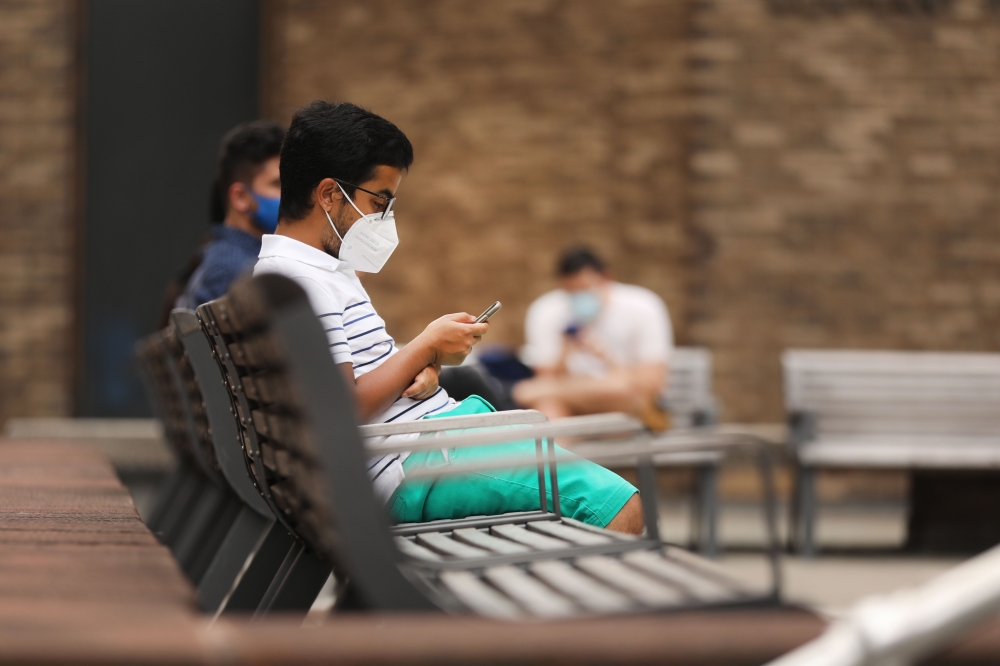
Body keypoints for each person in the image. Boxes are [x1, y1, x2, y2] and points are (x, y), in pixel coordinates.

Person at [253, 101, 643, 534]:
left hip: (422, 448)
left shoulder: (316, 271)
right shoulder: (299, 281)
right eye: (379, 200)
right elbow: (340, 407)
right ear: (328, 194)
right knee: (620, 509)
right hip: (413, 466)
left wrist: (423, 367)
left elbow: (351, 379)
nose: (384, 217)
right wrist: (425, 343)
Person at [513, 247, 673, 429]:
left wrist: (604, 356)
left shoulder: (643, 306)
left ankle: (562, 453)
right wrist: (566, 352)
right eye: (571, 292)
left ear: (606, 279)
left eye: (585, 288)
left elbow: (650, 385)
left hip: (631, 408)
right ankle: (562, 456)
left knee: (616, 389)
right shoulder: (545, 310)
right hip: (573, 409)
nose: (579, 297)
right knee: (549, 409)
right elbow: (546, 377)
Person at [174, 121, 284, 310]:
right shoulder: (234, 269)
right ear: (240, 197)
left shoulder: (225, 257)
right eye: (278, 184)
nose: (292, 193)